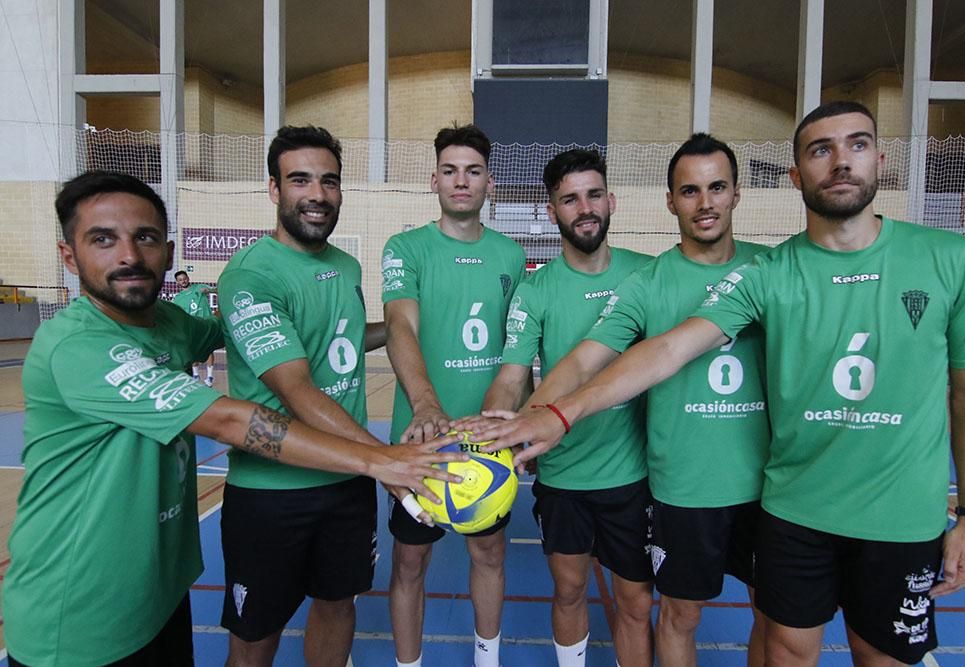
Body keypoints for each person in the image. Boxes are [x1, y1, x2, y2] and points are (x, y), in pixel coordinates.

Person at [474, 101, 965, 666]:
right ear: (670, 201)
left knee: (825, 637)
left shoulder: (932, 258)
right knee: (731, 630)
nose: (841, 162)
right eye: (822, 150)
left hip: (807, 500)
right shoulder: (751, 278)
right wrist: (551, 412)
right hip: (754, 502)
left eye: (858, 145)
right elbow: (656, 351)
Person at [1, 170, 465, 667]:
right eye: (102, 240)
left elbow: (255, 332)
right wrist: (379, 461)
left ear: (169, 251)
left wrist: (378, 326)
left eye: (145, 238)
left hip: (153, 597)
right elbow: (231, 422)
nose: (129, 255)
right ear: (68, 255)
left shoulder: (171, 326)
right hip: (75, 615)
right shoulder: (79, 347)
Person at [215, 125, 400, 666]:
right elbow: (295, 388)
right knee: (255, 637)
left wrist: (400, 326)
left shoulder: (345, 266)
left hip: (344, 485)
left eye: (329, 181)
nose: (317, 194)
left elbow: (338, 342)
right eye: (300, 180)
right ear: (274, 190)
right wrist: (383, 459)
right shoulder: (252, 274)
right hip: (273, 490)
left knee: (338, 603)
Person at [472, 148, 655, 666]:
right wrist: (492, 434)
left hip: (634, 474)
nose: (585, 208)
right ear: (552, 213)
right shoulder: (535, 290)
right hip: (565, 476)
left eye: (594, 194)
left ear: (612, 201)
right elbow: (510, 379)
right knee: (569, 589)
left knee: (636, 601)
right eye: (570, 200)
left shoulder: (651, 274)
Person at [381, 124, 527, 667]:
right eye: (449, 170)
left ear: (489, 180)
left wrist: (524, 424)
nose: (460, 181)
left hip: (487, 444)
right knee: (409, 564)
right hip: (422, 441)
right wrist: (424, 404)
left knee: (489, 554)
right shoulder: (406, 248)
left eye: (472, 170)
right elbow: (401, 326)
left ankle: (487, 660)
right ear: (434, 179)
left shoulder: (511, 256)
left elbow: (519, 349)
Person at [172, 270, 217, 385]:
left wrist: (209, 290)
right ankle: (196, 375)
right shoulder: (178, 299)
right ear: (177, 282)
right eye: (180, 280)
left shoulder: (199, 287)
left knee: (209, 350)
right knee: (192, 351)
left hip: (206, 324)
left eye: (184, 278)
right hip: (191, 327)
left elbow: (214, 289)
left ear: (188, 278)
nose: (183, 281)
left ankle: (210, 377)